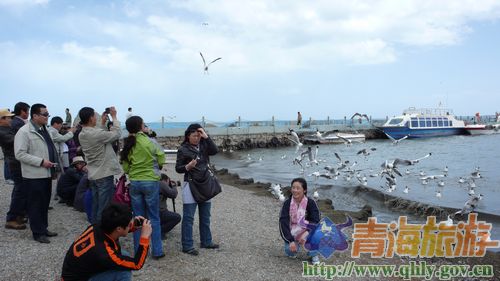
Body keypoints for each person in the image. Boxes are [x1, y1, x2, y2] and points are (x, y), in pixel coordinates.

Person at [61, 203, 152, 281]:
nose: (131, 224)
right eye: (130, 224)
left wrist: (134, 225)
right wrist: (144, 237)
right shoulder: (103, 253)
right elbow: (137, 264)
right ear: (119, 228)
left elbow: (119, 229)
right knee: (124, 273)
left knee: (124, 255)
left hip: (76, 271)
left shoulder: (99, 226)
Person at [120, 116, 166, 259]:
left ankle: (140, 252)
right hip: (151, 181)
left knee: (138, 218)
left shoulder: (128, 144)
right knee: (154, 217)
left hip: (135, 182)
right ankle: (157, 251)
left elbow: (126, 167)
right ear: (141, 126)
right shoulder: (150, 141)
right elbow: (161, 158)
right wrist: (156, 167)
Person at [14, 103, 59, 243]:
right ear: (35, 116)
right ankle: (37, 233)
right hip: (33, 175)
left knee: (44, 203)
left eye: (48, 114)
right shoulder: (24, 132)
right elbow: (20, 154)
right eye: (45, 114)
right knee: (35, 204)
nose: (47, 117)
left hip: (46, 173)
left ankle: (43, 228)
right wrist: (41, 162)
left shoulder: (44, 129)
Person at [175, 123, 219, 256]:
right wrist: (187, 167)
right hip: (191, 184)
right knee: (188, 217)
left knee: (206, 216)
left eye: (198, 136)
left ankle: (206, 241)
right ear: (188, 136)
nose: (197, 138)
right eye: (194, 136)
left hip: (205, 183)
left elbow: (215, 151)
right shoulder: (183, 149)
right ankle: (187, 245)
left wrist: (206, 136)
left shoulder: (204, 145)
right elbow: (178, 168)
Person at [78, 106, 122, 224]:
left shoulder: (82, 134)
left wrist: (102, 123)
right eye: (95, 116)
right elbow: (117, 133)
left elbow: (99, 135)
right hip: (104, 174)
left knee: (96, 205)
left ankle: (95, 230)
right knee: (104, 209)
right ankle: (102, 235)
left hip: (93, 174)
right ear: (91, 118)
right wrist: (114, 116)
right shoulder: (96, 133)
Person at [279, 177, 321, 265]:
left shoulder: (311, 202)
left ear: (304, 190)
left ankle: (314, 254)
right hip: (293, 231)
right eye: (293, 188)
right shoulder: (287, 203)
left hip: (307, 230)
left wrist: (307, 233)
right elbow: (283, 223)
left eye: (298, 188)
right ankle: (294, 245)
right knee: (289, 252)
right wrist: (290, 241)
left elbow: (316, 220)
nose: (295, 190)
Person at [0, 108, 26, 230]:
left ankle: (18, 215)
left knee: (20, 190)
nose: (11, 119)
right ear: (2, 119)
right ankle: (11, 219)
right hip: (15, 164)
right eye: (9, 117)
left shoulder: (7, 129)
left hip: (16, 162)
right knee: (19, 190)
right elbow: (16, 141)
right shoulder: (2, 131)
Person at [159, 173, 181, 239]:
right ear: (166, 180)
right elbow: (173, 194)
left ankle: (156, 227)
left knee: (167, 213)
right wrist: (174, 186)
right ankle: (160, 231)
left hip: (149, 212)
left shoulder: (154, 183)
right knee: (177, 217)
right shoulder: (162, 183)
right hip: (159, 212)